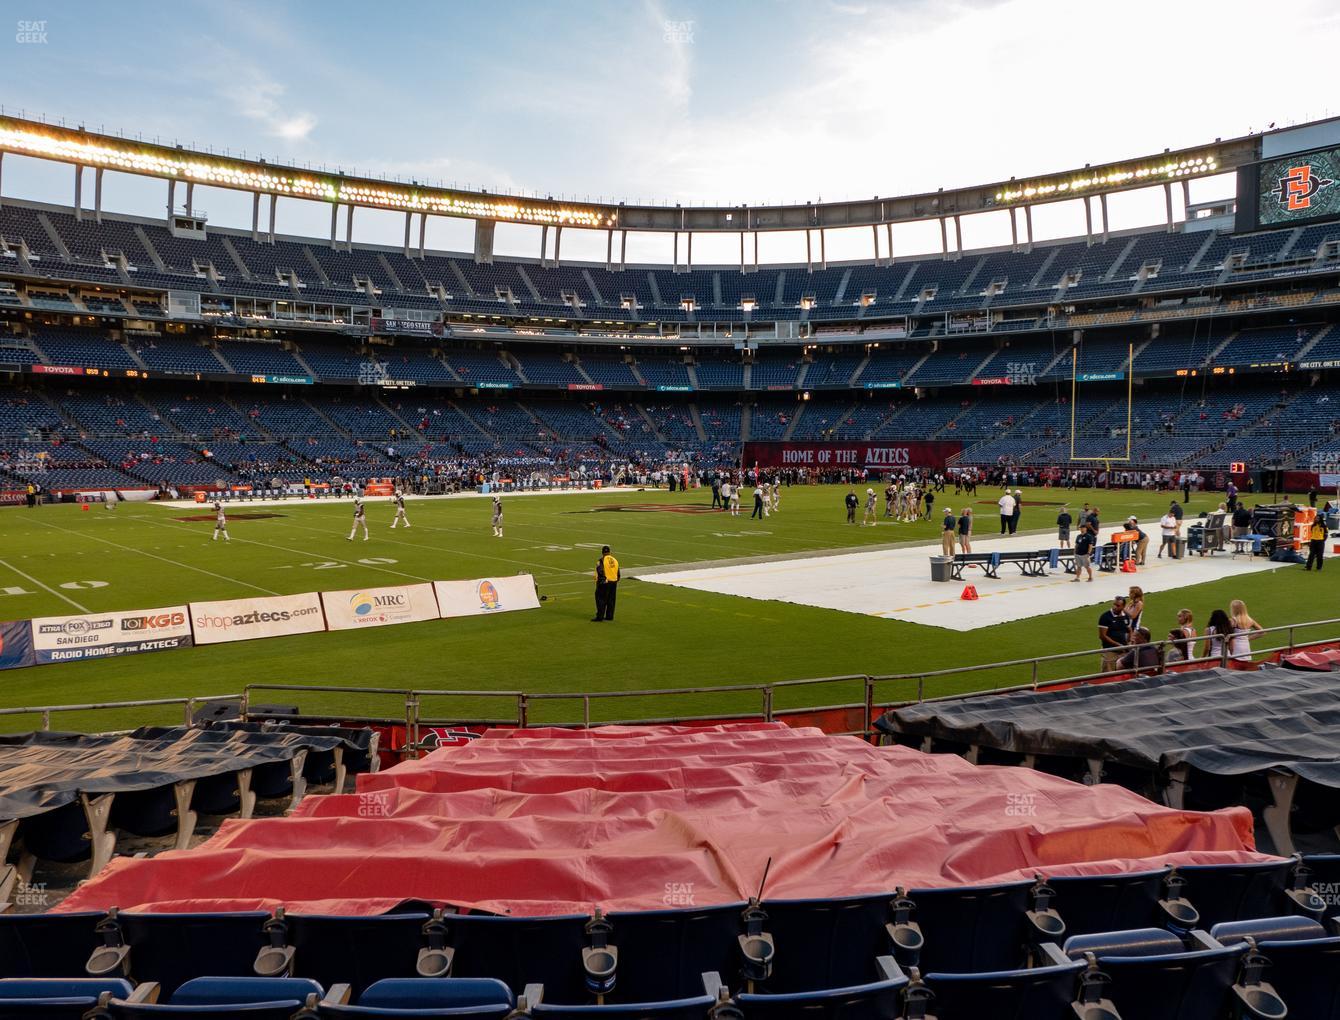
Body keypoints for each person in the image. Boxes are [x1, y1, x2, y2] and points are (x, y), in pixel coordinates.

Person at [1098, 595, 1131, 673]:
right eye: (1114, 604)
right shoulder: (1105, 617)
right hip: (1110, 650)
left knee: (1123, 674)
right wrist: (1118, 645)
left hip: (1123, 651)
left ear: (1123, 606)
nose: (1115, 607)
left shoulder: (1125, 616)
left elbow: (1129, 629)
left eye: (1118, 605)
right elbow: (1102, 636)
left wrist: (1129, 642)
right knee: (1108, 675)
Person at [1228, 599, 1262, 664]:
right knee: (1245, 667)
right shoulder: (1250, 620)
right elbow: (1262, 632)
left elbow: (1227, 634)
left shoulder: (1233, 620)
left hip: (1235, 647)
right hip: (1246, 646)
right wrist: (1247, 638)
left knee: (1233, 667)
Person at [592, 545, 619, 622]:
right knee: (611, 600)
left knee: (600, 599)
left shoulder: (601, 560)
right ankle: (609, 616)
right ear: (609, 552)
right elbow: (618, 572)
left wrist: (601, 581)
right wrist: (615, 580)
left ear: (602, 552)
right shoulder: (615, 560)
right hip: (614, 582)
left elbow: (600, 571)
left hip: (605, 582)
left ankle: (599, 616)